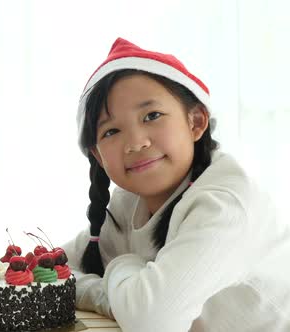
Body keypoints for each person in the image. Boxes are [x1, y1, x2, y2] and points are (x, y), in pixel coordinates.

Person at [62, 37, 290, 332]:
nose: (135, 142)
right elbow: (53, 272)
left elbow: (152, 320)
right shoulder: (129, 203)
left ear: (195, 121)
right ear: (98, 155)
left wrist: (124, 265)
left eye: (152, 116)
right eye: (112, 131)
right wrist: (118, 294)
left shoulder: (224, 204)